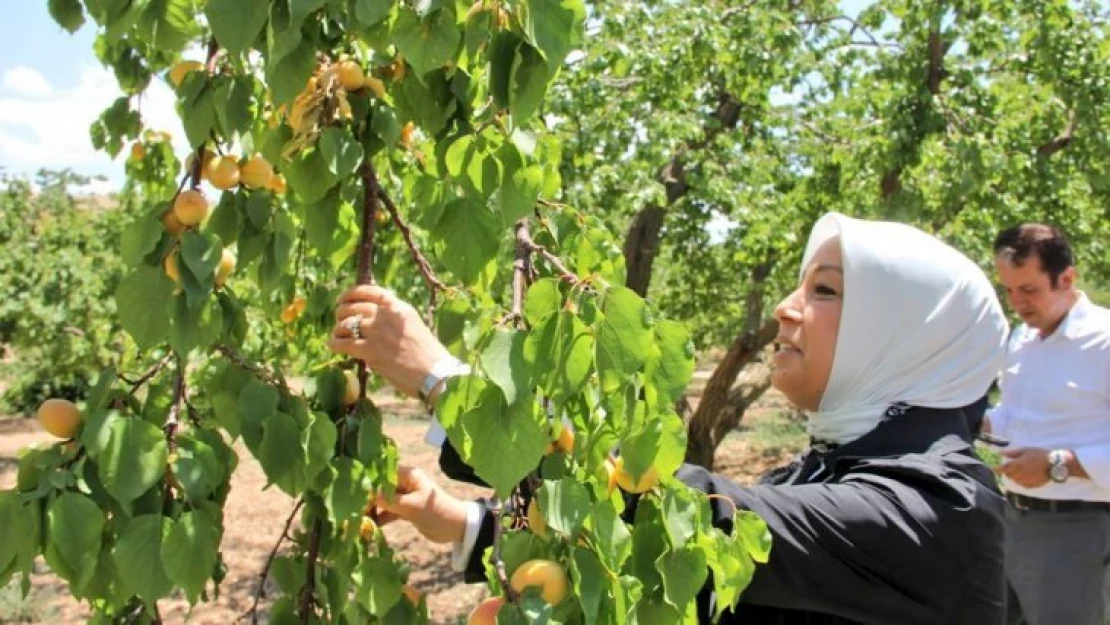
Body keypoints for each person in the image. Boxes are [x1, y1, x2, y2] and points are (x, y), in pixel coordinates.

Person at [327, 212, 1010, 624]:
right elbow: (636, 545)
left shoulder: (937, 506)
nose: (784, 307)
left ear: (900, 334)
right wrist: (461, 520)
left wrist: (446, 382)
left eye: (824, 290)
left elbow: (689, 512)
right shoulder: (814, 471)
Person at [984, 224, 1110, 625]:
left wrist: (1057, 464)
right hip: (1013, 521)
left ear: (1066, 278)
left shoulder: (1104, 341)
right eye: (1009, 290)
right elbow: (1014, 420)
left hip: (1076, 529)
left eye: (1029, 290)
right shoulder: (1022, 338)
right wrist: (967, 419)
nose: (1017, 303)